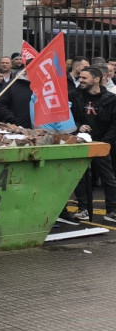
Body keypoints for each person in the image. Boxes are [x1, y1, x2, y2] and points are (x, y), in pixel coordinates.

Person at [71, 66, 116, 223]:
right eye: (80, 78)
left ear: (96, 79)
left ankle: (112, 211)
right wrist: (78, 127)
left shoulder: (110, 99)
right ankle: (83, 208)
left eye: (84, 78)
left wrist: (104, 142)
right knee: (80, 178)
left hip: (102, 143)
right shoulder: (75, 96)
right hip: (80, 142)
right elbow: (69, 117)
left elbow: (114, 124)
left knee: (108, 178)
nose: (80, 80)